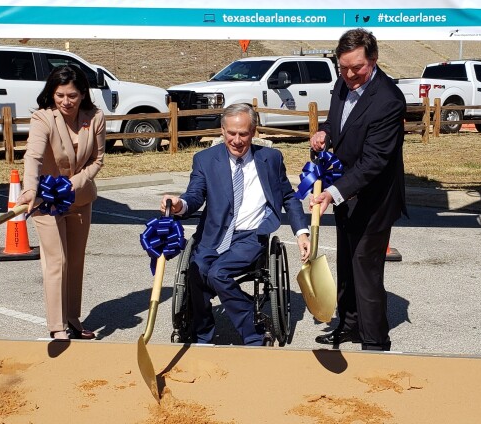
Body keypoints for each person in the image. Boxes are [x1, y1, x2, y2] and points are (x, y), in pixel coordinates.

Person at [162, 103, 310, 346]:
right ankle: (202, 333)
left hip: (251, 236)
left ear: (254, 133)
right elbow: (195, 194)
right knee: (197, 271)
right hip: (215, 236)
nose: (237, 140)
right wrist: (180, 205)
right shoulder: (205, 159)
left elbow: (288, 197)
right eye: (231, 133)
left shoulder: (270, 159)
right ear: (222, 130)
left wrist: (301, 233)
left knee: (218, 273)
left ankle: (253, 334)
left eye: (243, 134)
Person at [310, 28, 407, 352]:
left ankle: (375, 341)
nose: (350, 75)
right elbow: (337, 122)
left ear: (374, 60)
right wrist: (325, 134)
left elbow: (374, 161)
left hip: (375, 199)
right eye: (344, 68)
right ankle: (349, 325)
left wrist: (334, 193)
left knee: (365, 266)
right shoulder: (343, 83)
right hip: (345, 192)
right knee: (346, 262)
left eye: (357, 69)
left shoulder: (389, 100)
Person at [17, 65, 106, 341]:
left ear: (82, 94)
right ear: (51, 94)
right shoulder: (43, 118)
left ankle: (72, 318)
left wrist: (73, 184)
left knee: (76, 261)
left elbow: (98, 160)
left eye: (72, 96)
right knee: (57, 260)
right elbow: (32, 156)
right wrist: (30, 188)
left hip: (80, 199)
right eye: (59, 96)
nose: (66, 102)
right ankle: (57, 326)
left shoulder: (96, 117)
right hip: (47, 200)